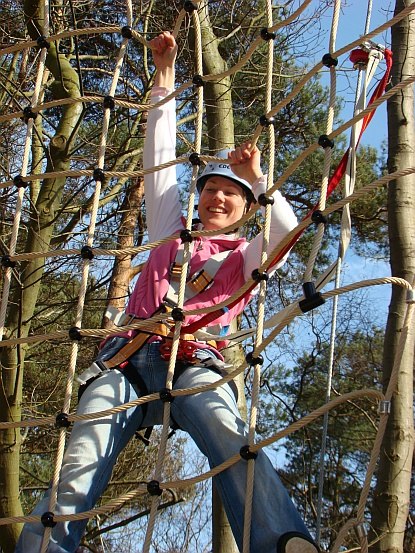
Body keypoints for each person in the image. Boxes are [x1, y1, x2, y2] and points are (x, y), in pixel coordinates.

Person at [16, 31, 319, 553]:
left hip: (198, 363)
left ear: (246, 210)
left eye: (232, 194)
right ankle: (45, 547)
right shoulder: (168, 232)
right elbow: (159, 163)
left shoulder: (243, 258)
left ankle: (279, 541)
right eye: (211, 189)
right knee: (80, 457)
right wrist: (163, 77)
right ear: (198, 199)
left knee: (232, 439)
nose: (219, 198)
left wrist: (259, 177)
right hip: (129, 361)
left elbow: (286, 228)